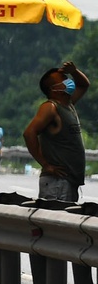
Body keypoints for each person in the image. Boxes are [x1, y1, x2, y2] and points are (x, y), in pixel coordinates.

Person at [23, 60, 88, 203]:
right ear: (54, 89)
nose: (68, 81)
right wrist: (46, 165)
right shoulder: (50, 108)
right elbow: (29, 133)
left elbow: (84, 85)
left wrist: (73, 71)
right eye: (64, 80)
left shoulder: (68, 104)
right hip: (57, 183)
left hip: (68, 181)